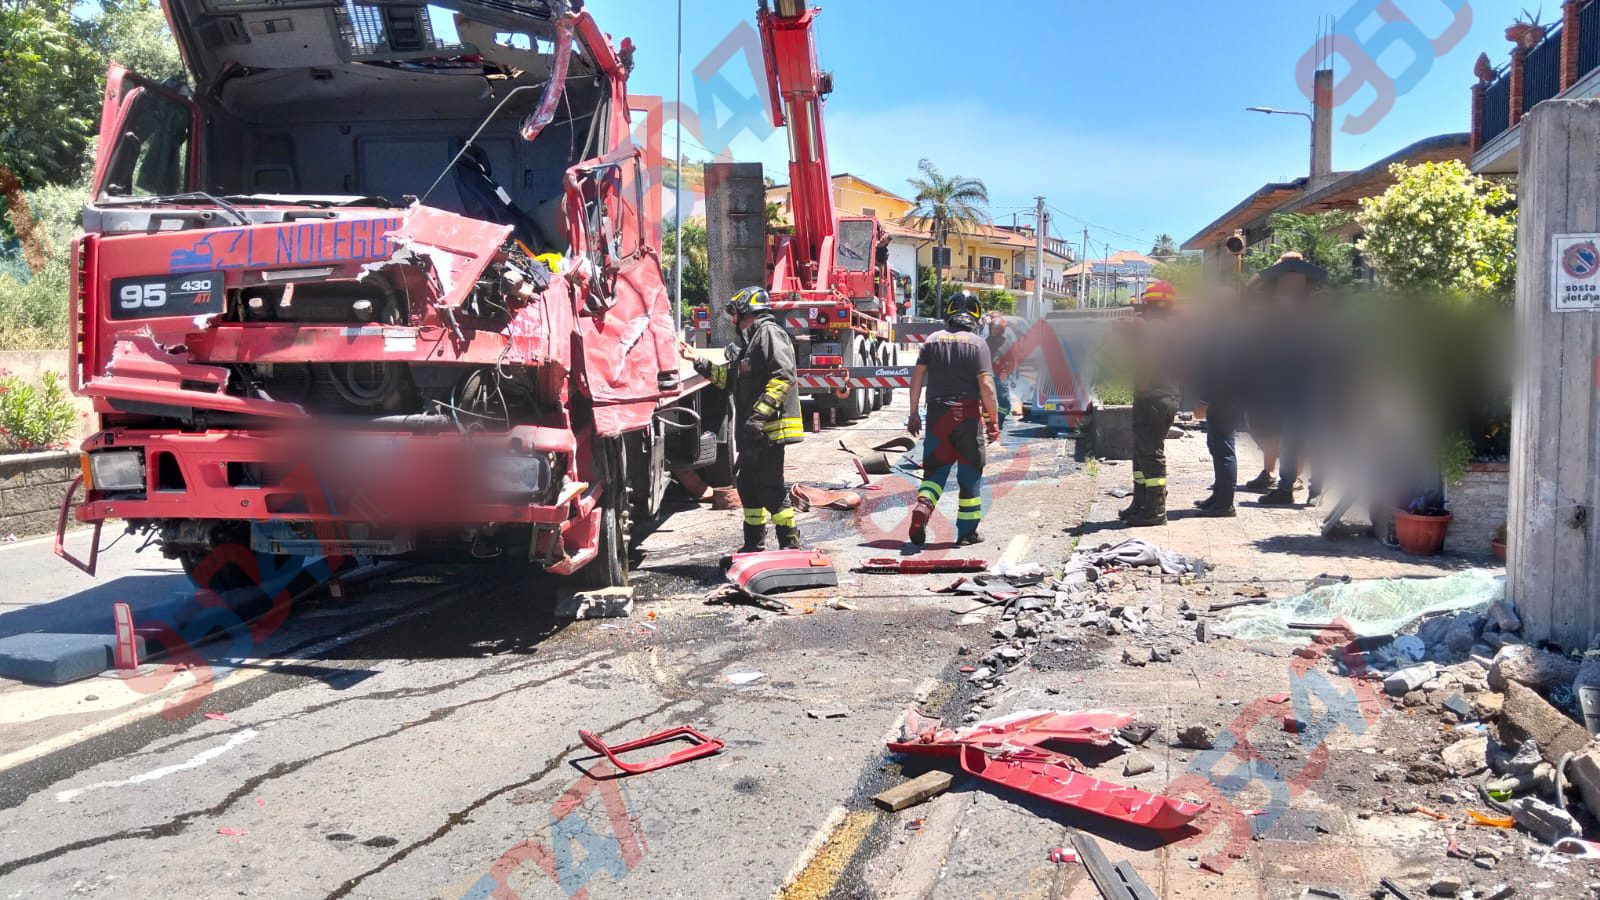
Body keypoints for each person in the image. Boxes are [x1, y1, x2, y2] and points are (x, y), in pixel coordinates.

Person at [683, 286, 804, 552]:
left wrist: (759, 415)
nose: (734, 320)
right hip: (754, 432)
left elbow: (783, 376)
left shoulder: (770, 334)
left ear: (745, 311)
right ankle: (753, 545)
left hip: (769, 429)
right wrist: (699, 361)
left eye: (735, 314)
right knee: (748, 487)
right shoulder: (752, 341)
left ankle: (790, 546)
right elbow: (732, 382)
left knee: (769, 487)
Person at [906, 290, 1001, 546]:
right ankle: (967, 533)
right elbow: (987, 387)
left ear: (949, 313)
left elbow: (916, 380)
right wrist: (993, 420)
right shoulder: (978, 344)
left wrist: (914, 413)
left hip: (936, 415)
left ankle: (923, 507)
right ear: (976, 315)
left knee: (935, 471)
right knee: (970, 474)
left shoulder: (932, 340)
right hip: (967, 416)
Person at [1118, 280, 1182, 527]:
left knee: (1150, 452)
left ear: (1148, 304)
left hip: (1152, 396)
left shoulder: (1149, 329)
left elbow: (1146, 360)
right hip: (1169, 395)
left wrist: (1143, 384)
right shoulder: (1173, 329)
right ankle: (1141, 502)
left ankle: (1155, 509)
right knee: (1143, 451)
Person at [982, 311, 1013, 431]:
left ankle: (999, 423)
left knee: (1004, 402)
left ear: (1001, 330)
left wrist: (1008, 371)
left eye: (996, 329)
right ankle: (989, 424)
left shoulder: (1007, 344)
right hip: (986, 375)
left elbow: (1013, 360)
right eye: (992, 328)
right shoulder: (984, 343)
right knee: (986, 402)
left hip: (1001, 376)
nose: (994, 331)